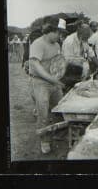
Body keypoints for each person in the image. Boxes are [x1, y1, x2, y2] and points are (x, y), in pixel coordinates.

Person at [27, 22, 65, 154]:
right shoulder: (37, 44)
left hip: (53, 81)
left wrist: (60, 74)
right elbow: (36, 66)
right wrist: (52, 79)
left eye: (62, 34)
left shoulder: (57, 45)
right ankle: (45, 140)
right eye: (58, 33)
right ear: (50, 31)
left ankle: (57, 132)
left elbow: (58, 62)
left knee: (59, 108)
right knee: (43, 112)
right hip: (39, 82)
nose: (60, 36)